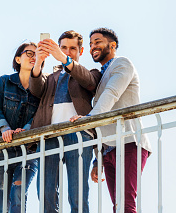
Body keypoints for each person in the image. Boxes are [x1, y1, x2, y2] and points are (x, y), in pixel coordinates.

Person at [71, 28, 151, 213]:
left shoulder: (123, 64)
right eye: (91, 44)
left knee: (126, 202)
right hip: (108, 149)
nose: (93, 47)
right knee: (117, 205)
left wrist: (90, 119)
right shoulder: (101, 76)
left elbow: (112, 93)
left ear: (112, 45)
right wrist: (97, 160)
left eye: (97, 42)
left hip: (129, 141)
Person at [29, 31, 101, 213]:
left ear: (81, 51)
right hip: (49, 136)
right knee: (46, 195)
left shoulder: (90, 72)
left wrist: (63, 58)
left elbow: (89, 81)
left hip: (79, 135)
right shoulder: (50, 77)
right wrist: (38, 61)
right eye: (63, 48)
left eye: (72, 49)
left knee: (77, 195)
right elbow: (35, 89)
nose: (67, 52)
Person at [0, 42, 40, 213]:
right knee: (1, 205)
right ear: (18, 59)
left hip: (28, 151)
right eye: (29, 53)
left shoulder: (40, 88)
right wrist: (5, 129)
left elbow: (39, 115)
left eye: (36, 54)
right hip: (0, 150)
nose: (33, 56)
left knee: (18, 195)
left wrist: (26, 129)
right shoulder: (4, 82)